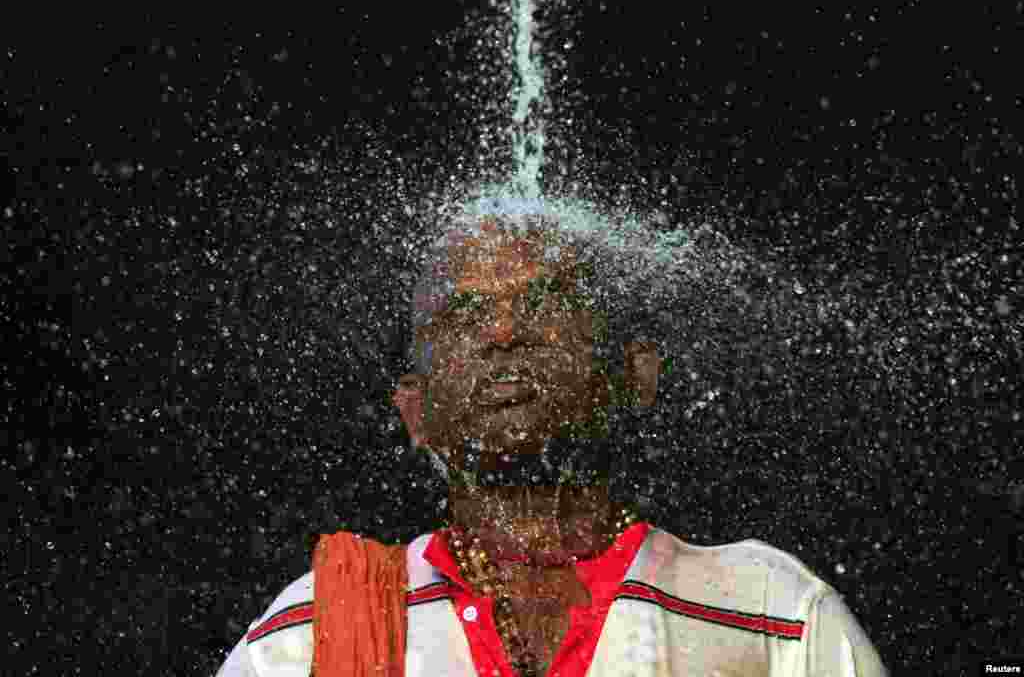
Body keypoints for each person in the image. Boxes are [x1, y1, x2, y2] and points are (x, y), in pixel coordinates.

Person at [215, 213, 889, 677]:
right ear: (414, 410)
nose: (504, 333)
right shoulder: (311, 634)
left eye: (546, 304)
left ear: (635, 373)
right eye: (464, 317)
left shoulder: (776, 615)